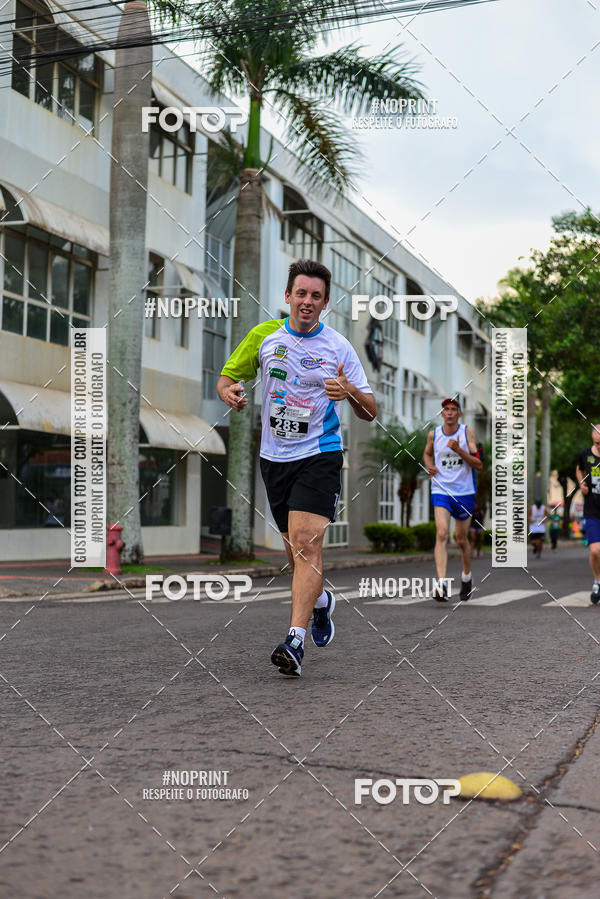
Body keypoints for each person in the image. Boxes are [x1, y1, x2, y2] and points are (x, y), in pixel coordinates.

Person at [217, 259, 376, 675]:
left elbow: (370, 411)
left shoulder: (338, 348)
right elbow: (227, 377)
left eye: (316, 296)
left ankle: (294, 641)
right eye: (300, 293)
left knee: (307, 543)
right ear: (288, 296)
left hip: (319, 454)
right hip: (275, 459)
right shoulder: (264, 336)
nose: (307, 301)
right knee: (296, 556)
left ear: (325, 302)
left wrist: (350, 391)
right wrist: (229, 393)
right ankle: (322, 602)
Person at [423, 398, 483, 601]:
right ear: (442, 414)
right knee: (441, 533)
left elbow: (479, 464)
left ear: (459, 413)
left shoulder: (467, 433)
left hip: (464, 492)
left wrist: (458, 450)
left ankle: (466, 576)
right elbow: (427, 453)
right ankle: (441, 583)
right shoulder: (434, 434)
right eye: (446, 409)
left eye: (453, 410)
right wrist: (429, 466)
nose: (449, 413)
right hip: (441, 490)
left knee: (461, 539)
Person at [576, 425, 600, 603]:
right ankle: (597, 581)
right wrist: (581, 484)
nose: (599, 446)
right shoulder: (585, 454)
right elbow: (579, 469)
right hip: (592, 509)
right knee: (595, 550)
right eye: (596, 443)